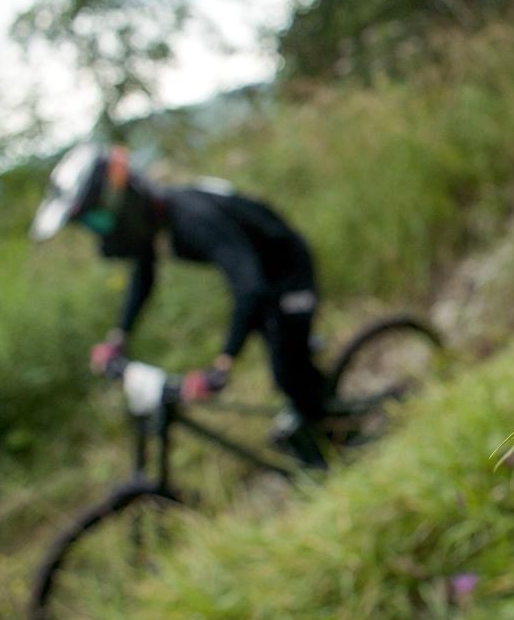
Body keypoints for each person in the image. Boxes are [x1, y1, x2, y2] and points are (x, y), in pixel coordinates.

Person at [31, 143, 328, 463]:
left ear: (120, 204)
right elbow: (144, 277)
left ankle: (335, 436)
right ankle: (315, 404)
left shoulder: (191, 219)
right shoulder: (159, 219)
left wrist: (222, 365)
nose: (101, 232)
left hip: (286, 272)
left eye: (99, 221)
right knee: (284, 355)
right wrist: (119, 337)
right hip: (259, 275)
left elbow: (249, 288)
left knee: (287, 369)